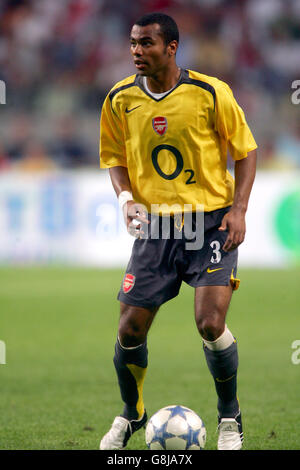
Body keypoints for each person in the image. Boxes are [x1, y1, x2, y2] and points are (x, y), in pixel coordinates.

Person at [99, 12, 257, 451]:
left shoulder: (209, 92)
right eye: (133, 43)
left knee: (210, 322)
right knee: (129, 329)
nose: (136, 51)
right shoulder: (118, 98)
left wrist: (239, 209)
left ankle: (230, 417)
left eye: (146, 43)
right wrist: (125, 199)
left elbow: (246, 151)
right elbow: (113, 156)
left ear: (171, 47)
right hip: (157, 227)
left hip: (209, 222)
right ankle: (132, 414)